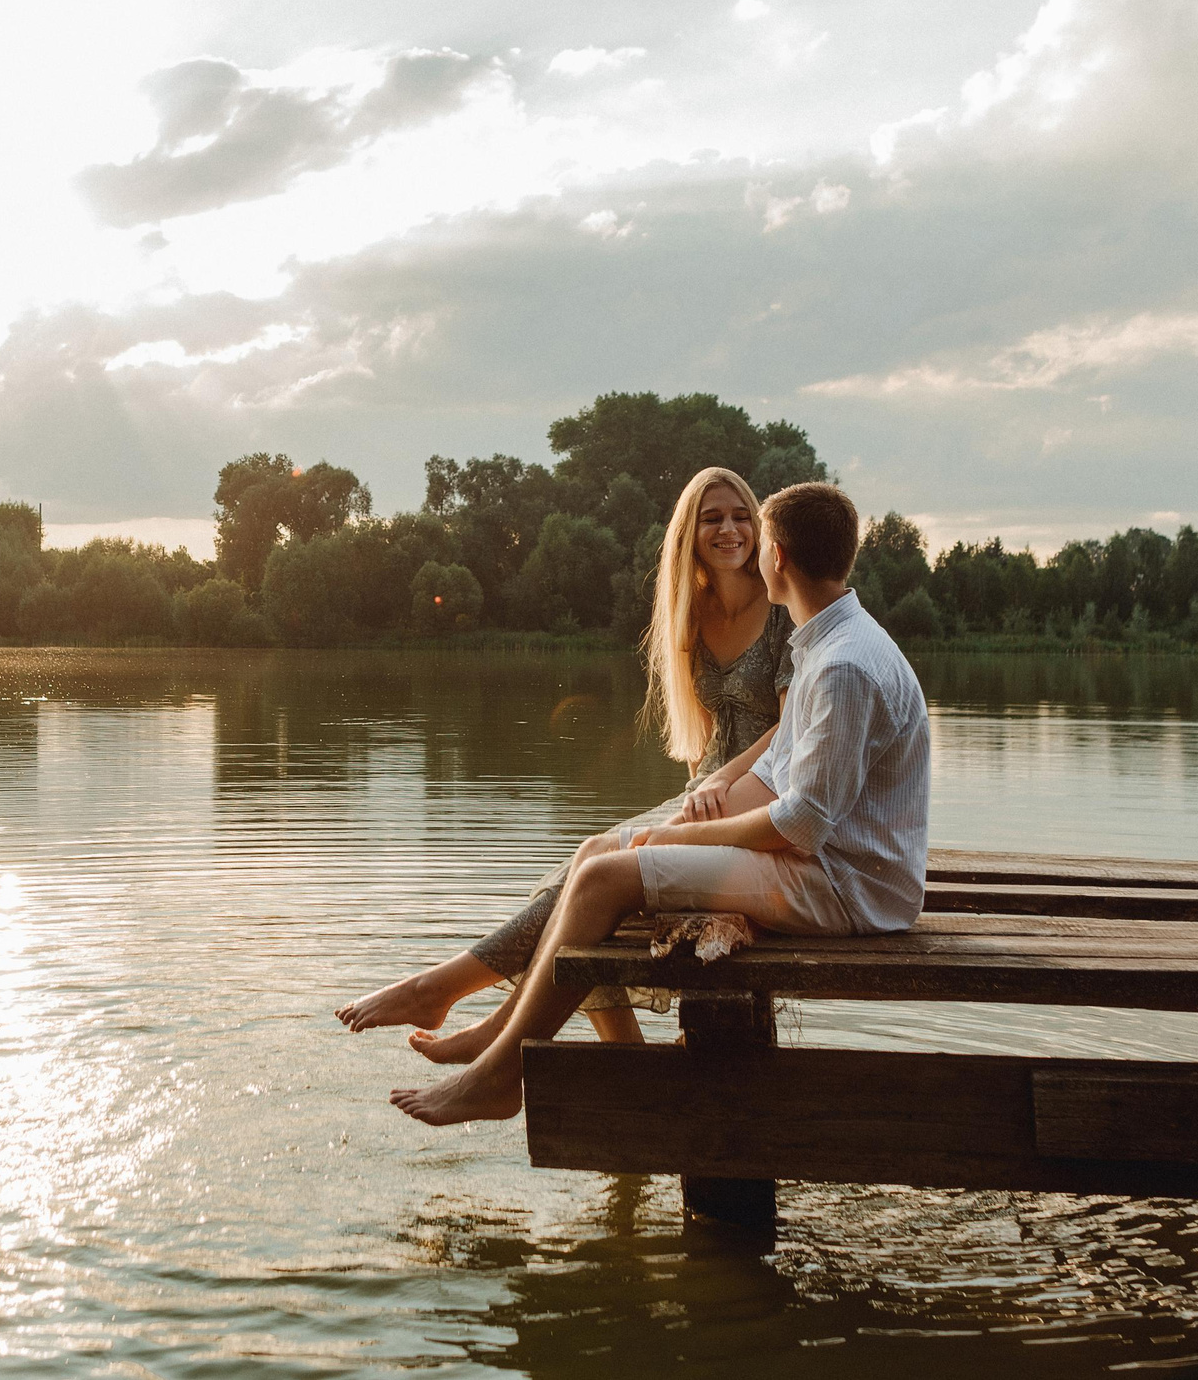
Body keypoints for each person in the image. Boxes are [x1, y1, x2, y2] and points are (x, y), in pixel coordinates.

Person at [390, 481, 930, 1126]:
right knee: (599, 853)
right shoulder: (828, 643)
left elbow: (803, 823)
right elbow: (783, 770)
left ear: (777, 557)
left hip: (847, 886)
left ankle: (501, 1075)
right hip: (827, 865)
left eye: (756, 536)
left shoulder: (844, 665)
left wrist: (682, 840)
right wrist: (686, 817)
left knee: (603, 878)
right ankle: (507, 1052)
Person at [335, 467, 792, 1058]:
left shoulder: (781, 605)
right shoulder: (692, 612)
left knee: (594, 875)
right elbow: (708, 733)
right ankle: (615, 1050)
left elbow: (792, 728)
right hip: (706, 793)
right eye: (712, 518)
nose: (729, 529)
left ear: (756, 525)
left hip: (759, 794)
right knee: (584, 863)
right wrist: (696, 796)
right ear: (690, 533)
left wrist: (722, 785)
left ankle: (459, 999)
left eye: (739, 516)